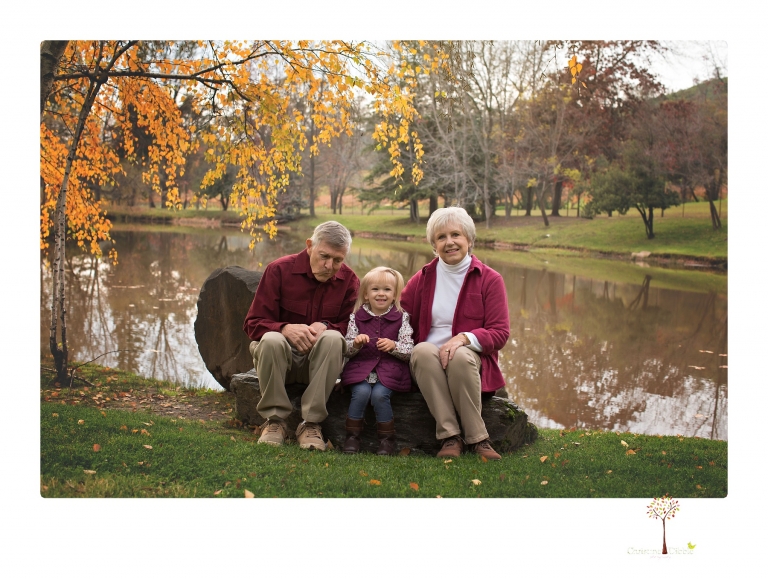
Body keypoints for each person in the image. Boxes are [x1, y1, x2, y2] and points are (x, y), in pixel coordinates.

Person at [401, 207, 510, 460]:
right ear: (433, 245)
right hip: (428, 364)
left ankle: (478, 438)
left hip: (470, 361)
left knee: (459, 355)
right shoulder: (422, 279)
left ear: (469, 240)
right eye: (441, 237)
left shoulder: (490, 279)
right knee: (422, 350)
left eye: (455, 235)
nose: (449, 242)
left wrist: (463, 338)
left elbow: (500, 332)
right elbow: (401, 319)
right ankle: (450, 437)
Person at [243, 221, 359, 451]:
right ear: (309, 246)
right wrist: (284, 328)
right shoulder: (278, 270)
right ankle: (275, 422)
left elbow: (350, 327)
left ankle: (311, 424)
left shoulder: (349, 281)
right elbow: (252, 324)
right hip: (278, 364)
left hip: (318, 368)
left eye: (338, 260)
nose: (329, 266)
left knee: (335, 337)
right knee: (271, 338)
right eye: (324, 256)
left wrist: (326, 326)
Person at [339, 267, 413, 455]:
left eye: (387, 289)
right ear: (365, 294)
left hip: (390, 370)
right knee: (361, 392)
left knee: (380, 395)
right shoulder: (356, 318)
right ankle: (352, 437)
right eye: (375, 289)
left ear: (395, 293)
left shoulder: (401, 317)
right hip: (361, 369)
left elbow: (409, 349)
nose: (381, 294)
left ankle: (387, 441)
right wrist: (355, 344)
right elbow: (346, 349)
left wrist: (393, 346)